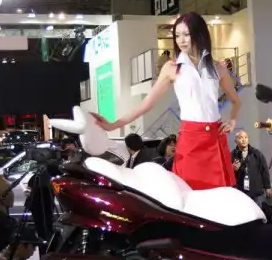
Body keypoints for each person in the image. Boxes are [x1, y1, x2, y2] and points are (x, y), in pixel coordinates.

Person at [91, 12, 241, 190]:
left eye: (186, 34)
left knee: (220, 195)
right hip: (190, 138)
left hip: (215, 138)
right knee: (188, 193)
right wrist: (113, 125)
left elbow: (235, 101)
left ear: (199, 33)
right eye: (177, 35)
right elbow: (146, 104)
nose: (181, 40)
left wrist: (232, 120)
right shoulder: (172, 68)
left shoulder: (217, 68)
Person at [231, 130, 271, 203]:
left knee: (257, 209)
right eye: (240, 138)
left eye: (245, 137)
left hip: (255, 191)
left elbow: (264, 170)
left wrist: (267, 187)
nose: (243, 140)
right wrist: (232, 168)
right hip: (239, 191)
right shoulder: (232, 154)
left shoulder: (256, 153)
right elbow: (225, 172)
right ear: (235, 141)